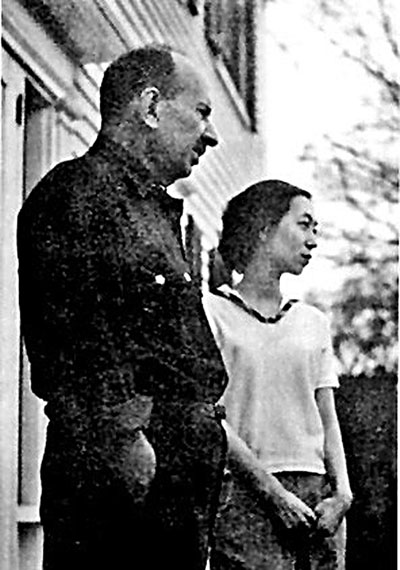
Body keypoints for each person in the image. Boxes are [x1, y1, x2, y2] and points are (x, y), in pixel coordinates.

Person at [17, 44, 228, 570]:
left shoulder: (153, 211)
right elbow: (71, 337)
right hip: (124, 473)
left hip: (170, 476)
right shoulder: (77, 193)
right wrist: (124, 437)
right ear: (151, 106)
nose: (211, 135)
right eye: (202, 112)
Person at [204, 180, 353, 569]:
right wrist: (274, 494)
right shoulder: (212, 313)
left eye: (315, 229)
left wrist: (342, 495)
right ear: (264, 228)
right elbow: (211, 418)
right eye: (304, 225)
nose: (313, 241)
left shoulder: (313, 321)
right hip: (246, 496)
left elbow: (328, 419)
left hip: (320, 504)